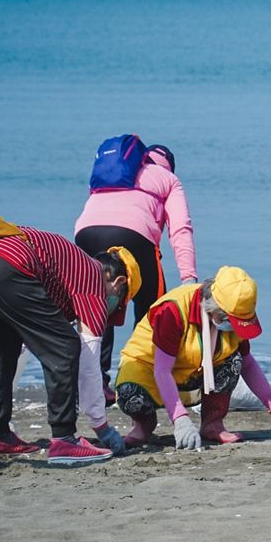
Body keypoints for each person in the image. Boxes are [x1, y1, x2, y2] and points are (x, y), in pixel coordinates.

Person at [0, 224, 140, 464]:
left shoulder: (71, 267)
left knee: (1, 348)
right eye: (120, 299)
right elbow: (89, 362)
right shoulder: (93, 279)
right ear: (118, 281)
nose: (113, 305)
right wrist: (101, 426)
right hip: (5, 262)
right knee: (65, 346)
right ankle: (64, 440)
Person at [114, 265, 271, 449]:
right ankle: (143, 426)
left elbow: (247, 363)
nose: (233, 327)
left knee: (234, 361)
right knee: (129, 392)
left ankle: (212, 424)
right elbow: (162, 370)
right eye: (230, 320)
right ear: (215, 309)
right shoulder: (173, 310)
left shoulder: (234, 314)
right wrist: (180, 419)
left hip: (192, 375)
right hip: (150, 371)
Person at [75, 141, 198, 402]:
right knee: (152, 309)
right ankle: (140, 379)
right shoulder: (168, 179)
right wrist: (188, 277)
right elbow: (180, 229)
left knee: (96, 305)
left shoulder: (109, 175)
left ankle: (96, 384)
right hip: (134, 236)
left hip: (86, 233)